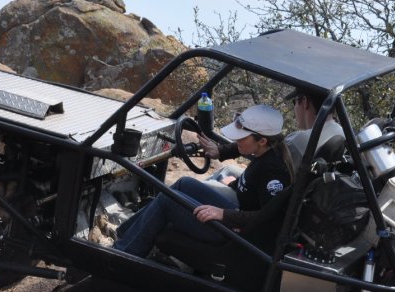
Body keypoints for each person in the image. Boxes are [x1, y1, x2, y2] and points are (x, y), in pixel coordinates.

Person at [114, 104, 293, 258]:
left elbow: (270, 220)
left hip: (240, 236)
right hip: (237, 219)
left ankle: (123, 254)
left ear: (262, 140)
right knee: (184, 183)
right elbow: (240, 147)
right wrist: (220, 151)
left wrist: (224, 214)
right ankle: (124, 235)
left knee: (168, 199)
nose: (237, 140)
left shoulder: (273, 172)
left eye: (242, 137)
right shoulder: (265, 148)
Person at [201, 88, 343, 171]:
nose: (295, 109)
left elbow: (265, 153)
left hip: (258, 210)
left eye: (295, 102)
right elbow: (266, 143)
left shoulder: (298, 142)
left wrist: (232, 184)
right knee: (229, 169)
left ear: (304, 102)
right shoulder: (342, 134)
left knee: (185, 184)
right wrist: (221, 151)